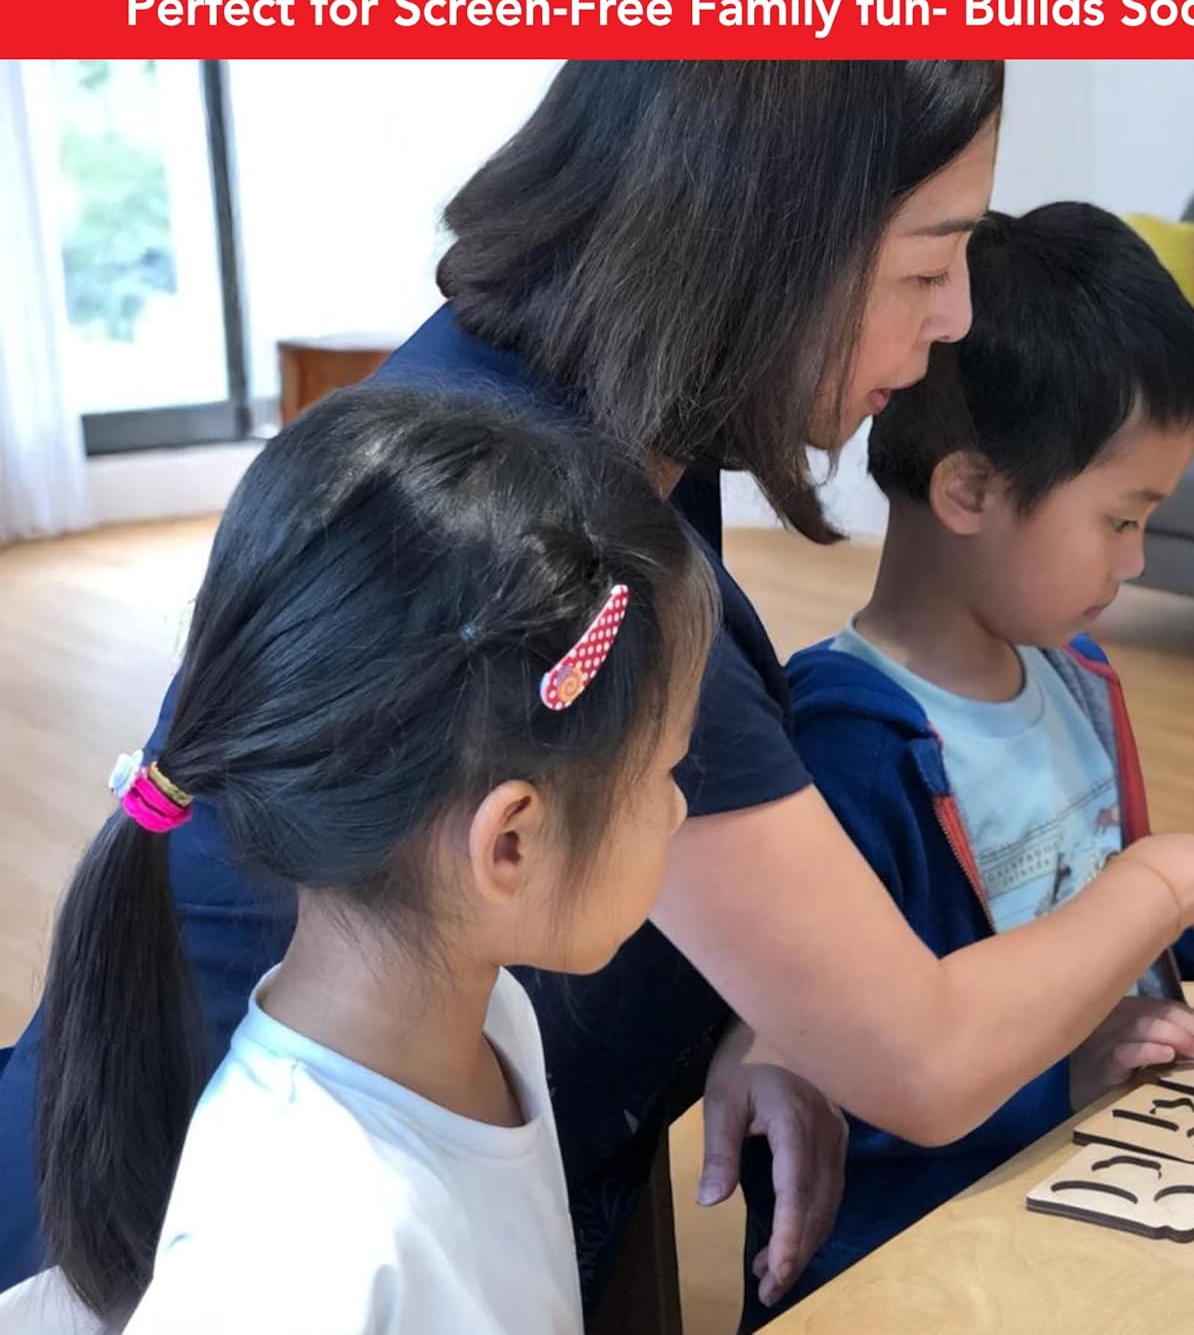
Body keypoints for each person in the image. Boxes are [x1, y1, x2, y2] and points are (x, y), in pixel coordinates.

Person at [0, 64, 1194, 1322]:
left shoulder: (607, 420)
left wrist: (757, 1008)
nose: (954, 318)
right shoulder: (564, 547)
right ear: (761, 246)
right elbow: (925, 1058)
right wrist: (1179, 879)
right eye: (930, 263)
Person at [738, 203, 1194, 1318]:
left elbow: (1121, 910)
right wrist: (1068, 1076)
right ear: (971, 490)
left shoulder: (1075, 674)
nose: (1136, 562)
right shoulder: (847, 746)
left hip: (1120, 1182)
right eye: (1122, 519)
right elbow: (861, 1084)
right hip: (946, 1267)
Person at [22, 386, 718, 1333]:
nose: (679, 807)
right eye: (666, 772)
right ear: (508, 841)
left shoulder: (490, 1018)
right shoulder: (296, 1255)